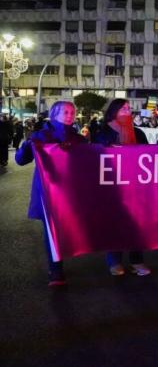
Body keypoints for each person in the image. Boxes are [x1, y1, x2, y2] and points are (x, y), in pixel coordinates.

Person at [15, 101, 87, 286]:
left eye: (72, 111)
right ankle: (56, 270)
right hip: (48, 192)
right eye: (65, 112)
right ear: (54, 114)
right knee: (51, 231)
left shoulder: (79, 139)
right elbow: (21, 160)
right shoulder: (40, 136)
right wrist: (28, 145)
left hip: (71, 192)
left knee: (69, 229)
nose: (70, 115)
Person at [94, 99, 151, 276]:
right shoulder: (103, 132)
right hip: (113, 185)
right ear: (114, 112)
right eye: (123, 108)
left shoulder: (139, 133)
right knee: (115, 222)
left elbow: (149, 155)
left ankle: (137, 260)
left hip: (136, 184)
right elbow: (95, 154)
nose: (128, 110)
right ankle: (115, 261)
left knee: (137, 223)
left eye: (128, 108)